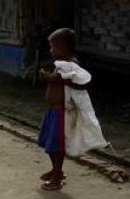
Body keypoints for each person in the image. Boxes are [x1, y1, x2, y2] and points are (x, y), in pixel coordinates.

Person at [36, 28, 107, 190]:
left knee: (57, 146)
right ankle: (56, 170)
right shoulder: (60, 64)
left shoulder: (71, 65)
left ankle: (57, 177)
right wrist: (49, 79)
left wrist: (59, 79)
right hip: (52, 110)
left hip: (61, 112)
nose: (51, 50)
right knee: (49, 145)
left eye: (53, 47)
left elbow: (83, 82)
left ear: (63, 48)